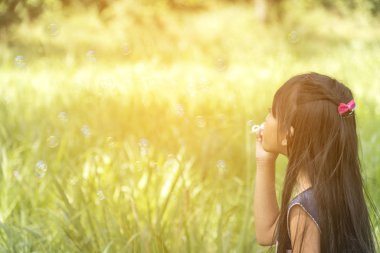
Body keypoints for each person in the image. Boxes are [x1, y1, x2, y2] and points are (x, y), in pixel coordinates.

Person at [253, 72, 378, 252]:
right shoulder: (334, 192)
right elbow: (266, 233)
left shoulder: (304, 210)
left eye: (271, 113)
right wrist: (264, 161)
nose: (265, 119)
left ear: (288, 134)